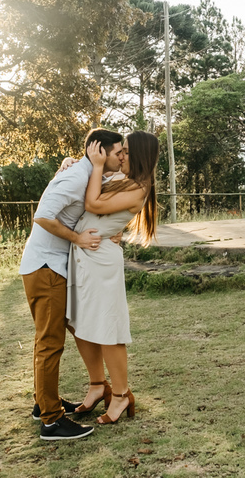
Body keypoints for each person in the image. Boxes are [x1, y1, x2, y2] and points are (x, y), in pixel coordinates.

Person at [18, 128, 123, 441]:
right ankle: (51, 422)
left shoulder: (89, 175)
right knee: (50, 343)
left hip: (55, 268)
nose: (122, 157)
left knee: (52, 339)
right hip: (46, 267)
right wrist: (78, 238)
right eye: (118, 152)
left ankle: (43, 403)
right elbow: (43, 216)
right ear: (99, 151)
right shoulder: (77, 176)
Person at [67, 130, 159, 425]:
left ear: (141, 156)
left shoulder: (137, 190)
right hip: (84, 256)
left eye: (127, 152)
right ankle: (97, 385)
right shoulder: (123, 180)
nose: (122, 156)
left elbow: (93, 204)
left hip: (101, 261)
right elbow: (89, 192)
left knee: (108, 329)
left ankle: (121, 395)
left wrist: (95, 167)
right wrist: (72, 164)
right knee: (79, 323)